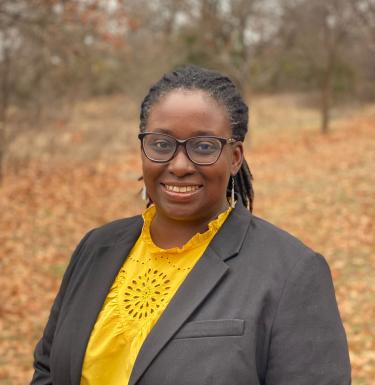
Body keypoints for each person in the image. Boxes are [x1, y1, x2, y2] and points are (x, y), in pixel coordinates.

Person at [30, 65, 351, 385]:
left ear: (235, 157)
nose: (179, 165)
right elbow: (48, 370)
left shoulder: (291, 273)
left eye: (204, 146)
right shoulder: (96, 248)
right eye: (161, 143)